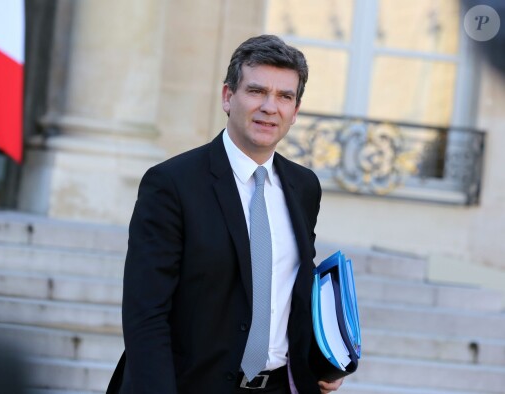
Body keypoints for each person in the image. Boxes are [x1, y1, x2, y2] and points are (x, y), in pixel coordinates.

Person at [106, 34, 344, 394]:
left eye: (284, 96)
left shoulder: (304, 186)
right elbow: (146, 315)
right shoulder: (171, 184)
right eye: (256, 91)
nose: (269, 107)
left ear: (295, 112)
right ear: (227, 97)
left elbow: (292, 287)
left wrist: (321, 358)